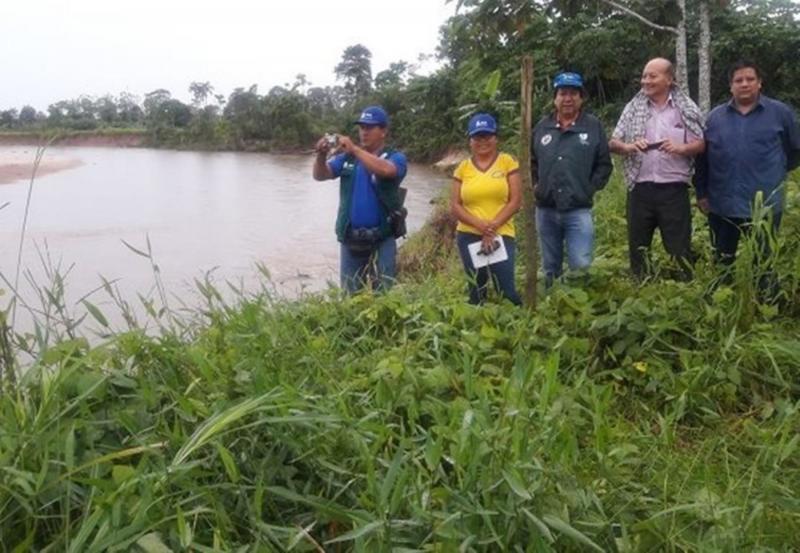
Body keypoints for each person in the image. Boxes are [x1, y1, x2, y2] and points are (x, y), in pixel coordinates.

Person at [694, 60, 800, 269]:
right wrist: (701, 193)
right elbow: (702, 160)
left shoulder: (781, 113)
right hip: (723, 204)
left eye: (750, 79)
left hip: (765, 205)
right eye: (738, 80)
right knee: (722, 262)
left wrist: (774, 170)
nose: (744, 84)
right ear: (731, 86)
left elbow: (795, 151)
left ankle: (764, 300)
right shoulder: (715, 118)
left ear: (759, 83)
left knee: (764, 264)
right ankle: (724, 298)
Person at [609, 57, 705, 280]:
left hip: (673, 190)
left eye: (653, 76)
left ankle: (684, 290)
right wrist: (630, 146)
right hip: (639, 189)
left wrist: (681, 148)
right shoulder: (633, 108)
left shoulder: (685, 108)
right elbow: (614, 142)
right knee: (638, 247)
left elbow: (701, 144)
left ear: (669, 79)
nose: (646, 81)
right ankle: (641, 288)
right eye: (644, 76)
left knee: (679, 247)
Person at [312, 106, 408, 293]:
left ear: (384, 131)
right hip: (351, 238)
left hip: (382, 236)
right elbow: (321, 175)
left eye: (370, 127)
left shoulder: (396, 157)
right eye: (362, 127)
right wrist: (321, 156)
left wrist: (355, 149)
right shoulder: (347, 158)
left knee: (385, 294)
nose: (364, 132)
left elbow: (387, 170)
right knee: (350, 295)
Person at [531, 71, 612, 287]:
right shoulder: (541, 127)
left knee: (581, 264)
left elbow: (604, 164)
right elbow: (531, 162)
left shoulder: (593, 126)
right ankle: (553, 307)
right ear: (555, 98)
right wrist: (536, 186)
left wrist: (588, 188)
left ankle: (579, 310)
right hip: (546, 209)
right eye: (563, 93)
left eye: (573, 94)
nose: (568, 99)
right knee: (550, 266)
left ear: (581, 98)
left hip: (578, 209)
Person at [451, 113, 522, 305]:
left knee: (506, 290)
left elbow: (515, 201)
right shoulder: (462, 168)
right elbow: (455, 206)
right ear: (470, 141)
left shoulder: (508, 162)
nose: (482, 141)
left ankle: (517, 325)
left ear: (496, 138)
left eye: (487, 136)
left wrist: (492, 227)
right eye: (477, 137)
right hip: (469, 235)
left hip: (502, 234)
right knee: (477, 289)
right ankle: (477, 328)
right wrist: (481, 226)